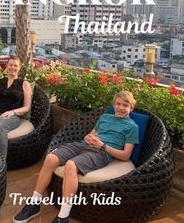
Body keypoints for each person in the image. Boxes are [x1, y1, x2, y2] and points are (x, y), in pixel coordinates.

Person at [13, 90, 139, 223]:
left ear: (131, 108)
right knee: (50, 158)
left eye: (125, 105)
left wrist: (102, 146)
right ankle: (34, 203)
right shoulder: (105, 118)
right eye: (118, 104)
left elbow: (125, 155)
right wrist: (88, 137)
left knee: (70, 165)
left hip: (102, 153)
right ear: (113, 105)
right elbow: (90, 134)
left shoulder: (132, 127)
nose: (120, 107)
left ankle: (63, 216)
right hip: (83, 145)